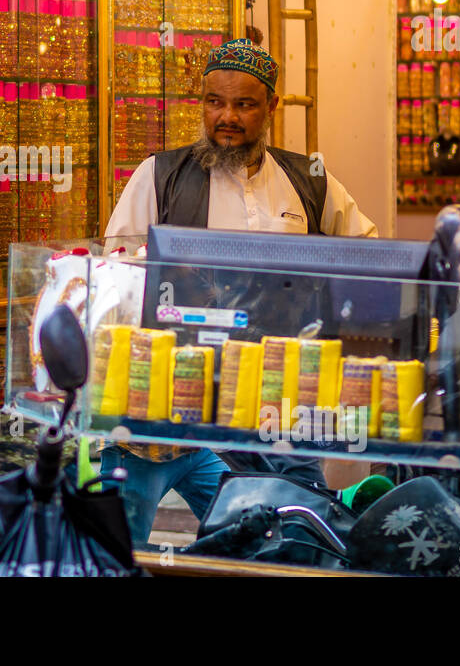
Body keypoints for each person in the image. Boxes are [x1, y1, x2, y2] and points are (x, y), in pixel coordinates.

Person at [102, 38, 377, 545]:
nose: (226, 117)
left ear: (271, 106)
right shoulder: (159, 176)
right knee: (128, 547)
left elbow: (368, 259)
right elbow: (116, 284)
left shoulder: (310, 181)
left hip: (281, 406)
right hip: (173, 405)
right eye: (214, 102)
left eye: (244, 104)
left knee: (284, 536)